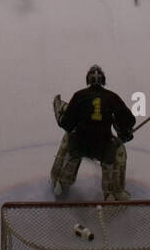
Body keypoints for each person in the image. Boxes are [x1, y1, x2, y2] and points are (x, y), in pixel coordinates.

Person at [49, 65, 137, 201]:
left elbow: (66, 124)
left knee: (68, 140)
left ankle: (60, 182)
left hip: (80, 145)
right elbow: (129, 120)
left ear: (88, 80)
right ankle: (114, 191)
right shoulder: (112, 97)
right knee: (119, 149)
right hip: (103, 147)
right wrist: (124, 131)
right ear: (103, 80)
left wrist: (63, 115)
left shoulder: (79, 96)